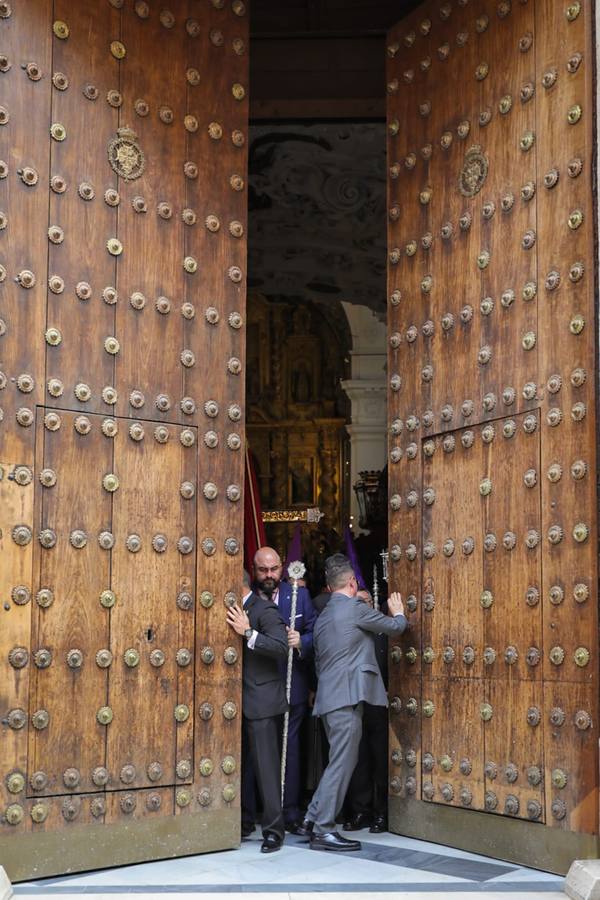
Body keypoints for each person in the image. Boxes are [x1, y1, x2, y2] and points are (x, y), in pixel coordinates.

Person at [299, 553, 407, 852]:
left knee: (337, 762)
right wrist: (397, 612)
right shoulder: (355, 608)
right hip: (346, 700)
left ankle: (311, 818)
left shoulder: (321, 619)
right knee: (342, 765)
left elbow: (320, 664)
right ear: (351, 583)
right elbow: (395, 628)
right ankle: (323, 829)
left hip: (330, 699)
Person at [253, 546, 317, 833]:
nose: (269, 575)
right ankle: (259, 811)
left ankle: (290, 811)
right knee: (263, 751)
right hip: (259, 688)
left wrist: (301, 640)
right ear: (254, 570)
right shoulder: (249, 600)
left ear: (282, 567)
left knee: (290, 750)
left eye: (273, 569)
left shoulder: (299, 596)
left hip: (293, 685)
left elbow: (317, 632)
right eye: (262, 570)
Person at [227, 571, 288, 853]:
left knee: (266, 768)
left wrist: (249, 632)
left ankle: (274, 830)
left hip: (261, 702)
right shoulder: (229, 610)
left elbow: (280, 646)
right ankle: (243, 821)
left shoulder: (264, 609)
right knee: (242, 768)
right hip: (232, 703)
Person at [343, 589, 389, 833]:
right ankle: (361, 811)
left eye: (366, 602)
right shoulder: (350, 630)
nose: (362, 606)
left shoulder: (383, 631)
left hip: (379, 701)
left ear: (373, 604)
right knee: (358, 759)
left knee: (381, 759)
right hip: (355, 699)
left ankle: (382, 813)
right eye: (357, 602)